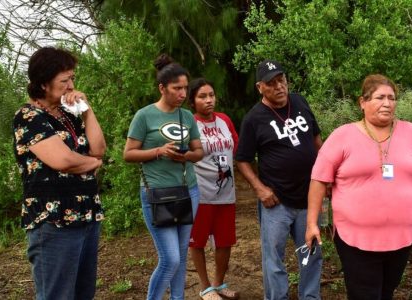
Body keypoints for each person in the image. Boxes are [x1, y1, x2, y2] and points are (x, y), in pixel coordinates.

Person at [305, 74, 412, 300]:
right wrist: (311, 223)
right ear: (362, 102)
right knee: (364, 294)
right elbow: (319, 179)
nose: (387, 103)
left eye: (392, 98)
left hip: (402, 236)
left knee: (387, 291)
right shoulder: (343, 136)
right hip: (356, 238)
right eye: (380, 97)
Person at [12, 46, 106, 300]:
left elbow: (99, 148)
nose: (71, 85)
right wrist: (92, 163)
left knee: (83, 293)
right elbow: (63, 160)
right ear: (43, 83)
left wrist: (86, 109)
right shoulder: (28, 116)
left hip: (86, 216)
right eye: (64, 80)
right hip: (53, 221)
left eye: (72, 78)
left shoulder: (69, 115)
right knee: (58, 295)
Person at [236, 59, 323, 300]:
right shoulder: (254, 119)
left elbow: (317, 140)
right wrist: (260, 189)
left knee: (311, 253)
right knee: (274, 258)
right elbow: (242, 160)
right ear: (260, 88)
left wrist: (325, 176)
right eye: (271, 83)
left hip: (309, 197)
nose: (279, 87)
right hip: (277, 201)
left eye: (281, 80)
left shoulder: (300, 102)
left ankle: (310, 297)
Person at [123, 54, 204, 300]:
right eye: (176, 88)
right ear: (162, 88)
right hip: (157, 194)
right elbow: (128, 154)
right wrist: (159, 151)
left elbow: (199, 152)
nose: (182, 93)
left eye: (185, 88)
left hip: (188, 191)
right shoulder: (144, 116)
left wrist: (186, 156)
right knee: (170, 259)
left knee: (180, 256)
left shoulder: (187, 116)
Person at [187, 78, 239, 300]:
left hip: (226, 193)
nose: (209, 100)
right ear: (192, 101)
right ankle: (205, 287)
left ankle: (218, 283)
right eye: (202, 96)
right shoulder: (190, 124)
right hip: (201, 193)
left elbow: (236, 147)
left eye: (211, 95)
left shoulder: (224, 120)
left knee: (225, 240)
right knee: (197, 241)